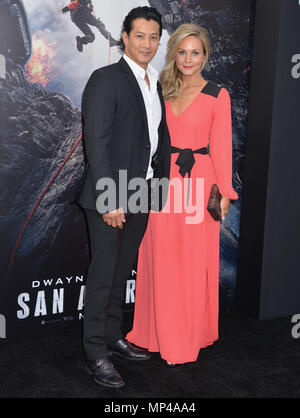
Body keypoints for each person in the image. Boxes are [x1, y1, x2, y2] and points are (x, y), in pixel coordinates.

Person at [126, 24, 238, 366]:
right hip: (161, 182)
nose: (188, 59)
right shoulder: (160, 89)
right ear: (173, 52)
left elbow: (222, 149)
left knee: (190, 264)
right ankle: (152, 333)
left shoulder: (218, 94)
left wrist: (225, 196)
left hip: (199, 185)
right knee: (158, 257)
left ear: (205, 56)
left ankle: (185, 338)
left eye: (196, 52)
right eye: (182, 51)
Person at [77, 7, 171, 388]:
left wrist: (157, 189)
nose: (147, 44)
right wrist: (109, 199)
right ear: (125, 37)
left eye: (153, 38)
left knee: (120, 273)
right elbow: (96, 144)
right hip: (112, 196)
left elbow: (155, 138)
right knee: (103, 275)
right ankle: (95, 352)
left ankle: (114, 336)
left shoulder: (154, 82)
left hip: (143, 192)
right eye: (140, 36)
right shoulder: (105, 79)